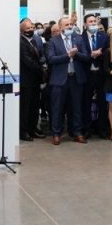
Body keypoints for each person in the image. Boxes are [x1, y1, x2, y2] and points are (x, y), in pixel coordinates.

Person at [45, 16, 88, 145]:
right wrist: (68, 55)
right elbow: (51, 59)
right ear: (60, 27)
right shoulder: (53, 41)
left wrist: (76, 54)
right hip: (59, 80)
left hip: (76, 78)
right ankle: (56, 134)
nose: (69, 26)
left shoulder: (78, 39)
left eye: (70, 24)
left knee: (76, 107)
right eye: (66, 25)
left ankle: (77, 132)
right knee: (57, 108)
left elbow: (86, 56)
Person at [77, 13, 108, 139]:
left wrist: (100, 53)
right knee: (86, 103)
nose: (93, 23)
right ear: (85, 24)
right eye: (90, 21)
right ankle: (86, 129)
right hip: (86, 74)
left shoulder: (104, 36)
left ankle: (102, 129)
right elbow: (79, 55)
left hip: (101, 74)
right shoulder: (80, 38)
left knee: (102, 103)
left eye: (95, 21)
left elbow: (108, 52)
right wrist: (90, 55)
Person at [18, 18, 43, 141]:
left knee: (34, 106)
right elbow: (27, 61)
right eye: (28, 28)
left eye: (32, 27)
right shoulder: (20, 42)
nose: (31, 30)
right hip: (26, 81)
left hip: (35, 80)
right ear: (22, 30)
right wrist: (41, 68)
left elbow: (40, 56)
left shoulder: (34, 41)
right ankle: (24, 131)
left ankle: (33, 129)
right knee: (25, 108)